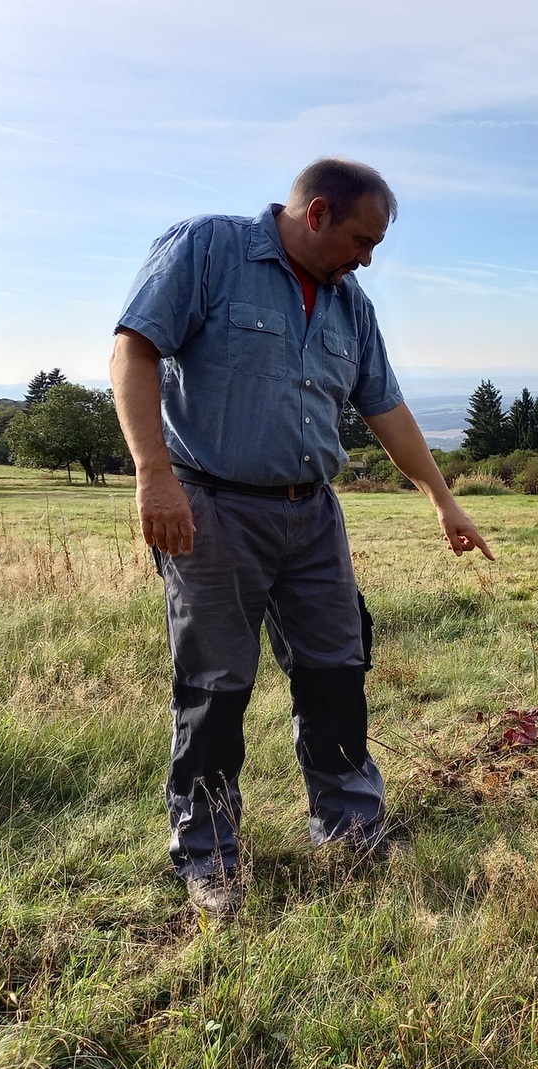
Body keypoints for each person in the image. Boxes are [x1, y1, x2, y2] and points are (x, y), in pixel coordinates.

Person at [110, 157, 493, 914]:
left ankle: (350, 830)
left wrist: (442, 499)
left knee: (336, 668)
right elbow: (134, 349)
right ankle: (209, 857)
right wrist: (153, 474)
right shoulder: (208, 249)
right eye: (362, 238)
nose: (369, 258)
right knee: (216, 687)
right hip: (211, 507)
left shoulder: (353, 307)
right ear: (316, 214)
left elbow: (388, 410)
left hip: (313, 514)